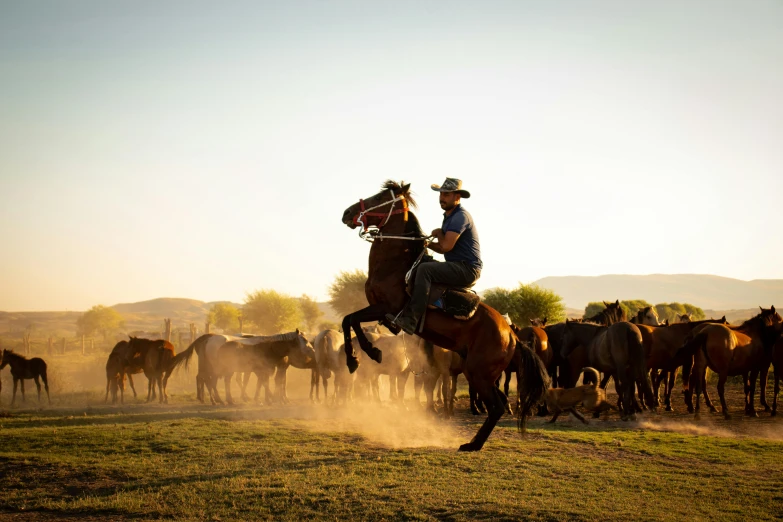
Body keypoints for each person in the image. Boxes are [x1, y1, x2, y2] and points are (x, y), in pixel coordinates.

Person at [387, 178, 482, 334]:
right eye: (441, 194)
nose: (442, 197)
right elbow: (444, 245)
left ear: (457, 197)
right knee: (421, 264)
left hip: (467, 269)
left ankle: (411, 321)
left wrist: (433, 238)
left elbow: (445, 247)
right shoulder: (450, 216)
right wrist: (432, 239)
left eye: (447, 194)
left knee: (425, 270)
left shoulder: (460, 217)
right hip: (458, 266)